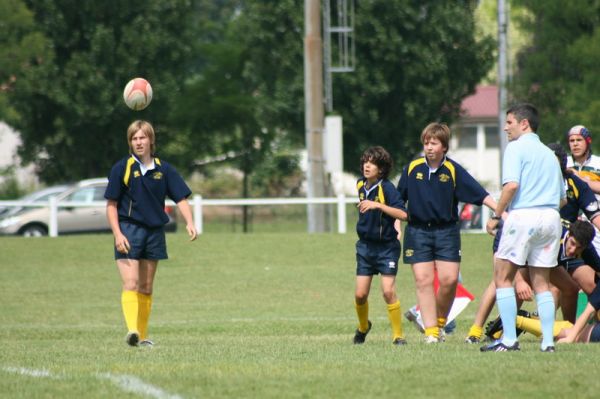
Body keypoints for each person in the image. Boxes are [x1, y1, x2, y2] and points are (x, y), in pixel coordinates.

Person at [465, 143, 600, 343]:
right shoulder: (530, 181)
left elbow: (594, 215)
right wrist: (519, 280)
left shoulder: (573, 185)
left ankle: (564, 330)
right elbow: (513, 205)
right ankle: (477, 331)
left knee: (571, 288)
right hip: (520, 238)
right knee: (504, 281)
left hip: (564, 240)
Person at [396, 123, 497, 343]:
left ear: (444, 147)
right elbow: (397, 201)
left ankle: (439, 323)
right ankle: (431, 333)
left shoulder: (452, 170)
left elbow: (479, 193)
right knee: (423, 281)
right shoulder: (412, 168)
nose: (429, 147)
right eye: (426, 143)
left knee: (449, 280)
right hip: (418, 231)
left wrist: (500, 211)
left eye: (434, 143)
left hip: (447, 232)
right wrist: (396, 227)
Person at [105, 120, 198, 347]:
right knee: (131, 283)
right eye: (134, 138)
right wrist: (118, 234)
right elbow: (111, 204)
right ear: (130, 142)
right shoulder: (122, 168)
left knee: (146, 287)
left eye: (142, 137)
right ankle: (132, 330)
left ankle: (143, 337)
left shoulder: (163, 169)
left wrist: (190, 222)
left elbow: (181, 198)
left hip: (155, 232)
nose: (138, 142)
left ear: (150, 140)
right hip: (129, 230)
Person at [481, 103, 566, 353]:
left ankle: (508, 339)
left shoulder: (516, 148)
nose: (506, 127)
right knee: (543, 283)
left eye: (509, 122)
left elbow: (511, 186)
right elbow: (563, 197)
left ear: (524, 124)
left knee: (502, 276)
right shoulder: (550, 155)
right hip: (551, 218)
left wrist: (497, 216)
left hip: (524, 215)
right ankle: (548, 343)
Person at [353, 146, 408, 346]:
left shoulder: (387, 188)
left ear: (382, 168)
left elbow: (404, 214)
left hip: (386, 248)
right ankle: (363, 327)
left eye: (372, 162)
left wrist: (378, 205)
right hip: (365, 248)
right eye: (365, 161)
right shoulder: (360, 185)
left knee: (388, 292)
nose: (367, 165)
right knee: (360, 295)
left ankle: (398, 335)